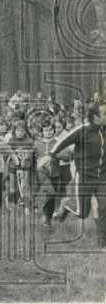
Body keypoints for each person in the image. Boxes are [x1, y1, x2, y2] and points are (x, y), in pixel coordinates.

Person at [50, 104, 106, 250]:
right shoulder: (83, 129)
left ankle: (102, 243)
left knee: (103, 206)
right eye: (104, 114)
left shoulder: (102, 131)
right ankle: (67, 205)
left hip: (100, 177)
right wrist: (52, 154)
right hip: (84, 176)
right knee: (83, 213)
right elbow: (64, 141)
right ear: (95, 117)